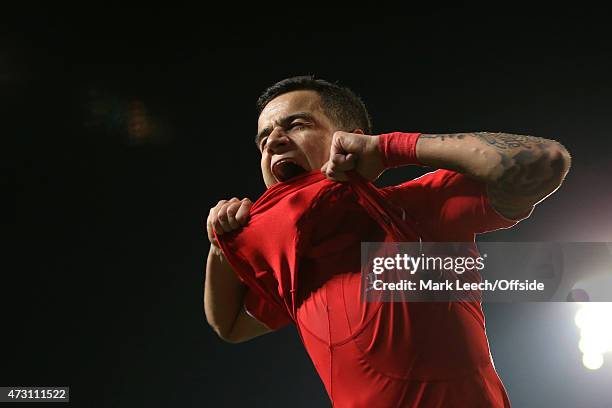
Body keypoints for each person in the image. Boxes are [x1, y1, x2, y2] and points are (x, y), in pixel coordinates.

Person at [203, 76, 571, 407]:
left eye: (297, 124)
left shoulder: (415, 208)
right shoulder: (295, 267)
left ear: (351, 137)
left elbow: (544, 161)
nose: (274, 143)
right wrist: (221, 247)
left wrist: (390, 148)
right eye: (263, 139)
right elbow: (230, 325)